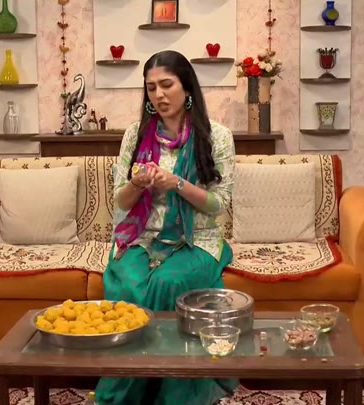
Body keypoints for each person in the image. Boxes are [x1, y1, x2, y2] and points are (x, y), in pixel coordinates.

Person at [94, 50, 237, 404]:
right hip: (141, 238)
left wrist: (177, 183)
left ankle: (172, 394)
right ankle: (129, 392)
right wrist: (137, 183)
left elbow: (219, 204)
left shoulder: (216, 136)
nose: (159, 95)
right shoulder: (135, 135)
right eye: (151, 87)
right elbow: (121, 201)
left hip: (195, 239)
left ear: (186, 87)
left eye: (167, 85)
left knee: (168, 283)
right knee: (131, 284)